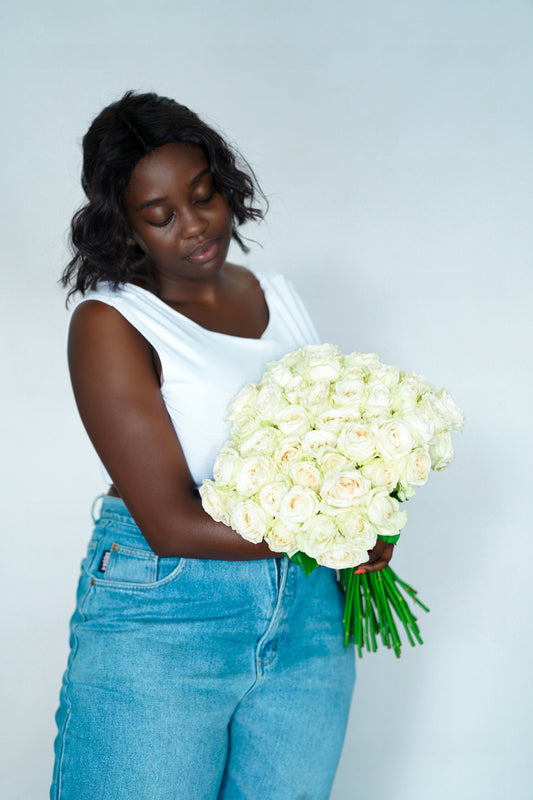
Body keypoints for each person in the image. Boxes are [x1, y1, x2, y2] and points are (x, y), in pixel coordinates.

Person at [51, 91, 394, 800]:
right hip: (167, 614)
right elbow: (170, 523)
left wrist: (371, 505)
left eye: (204, 196)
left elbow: (331, 445)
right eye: (160, 215)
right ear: (123, 224)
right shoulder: (111, 322)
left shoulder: (279, 296)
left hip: (308, 613)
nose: (195, 226)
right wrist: (338, 528)